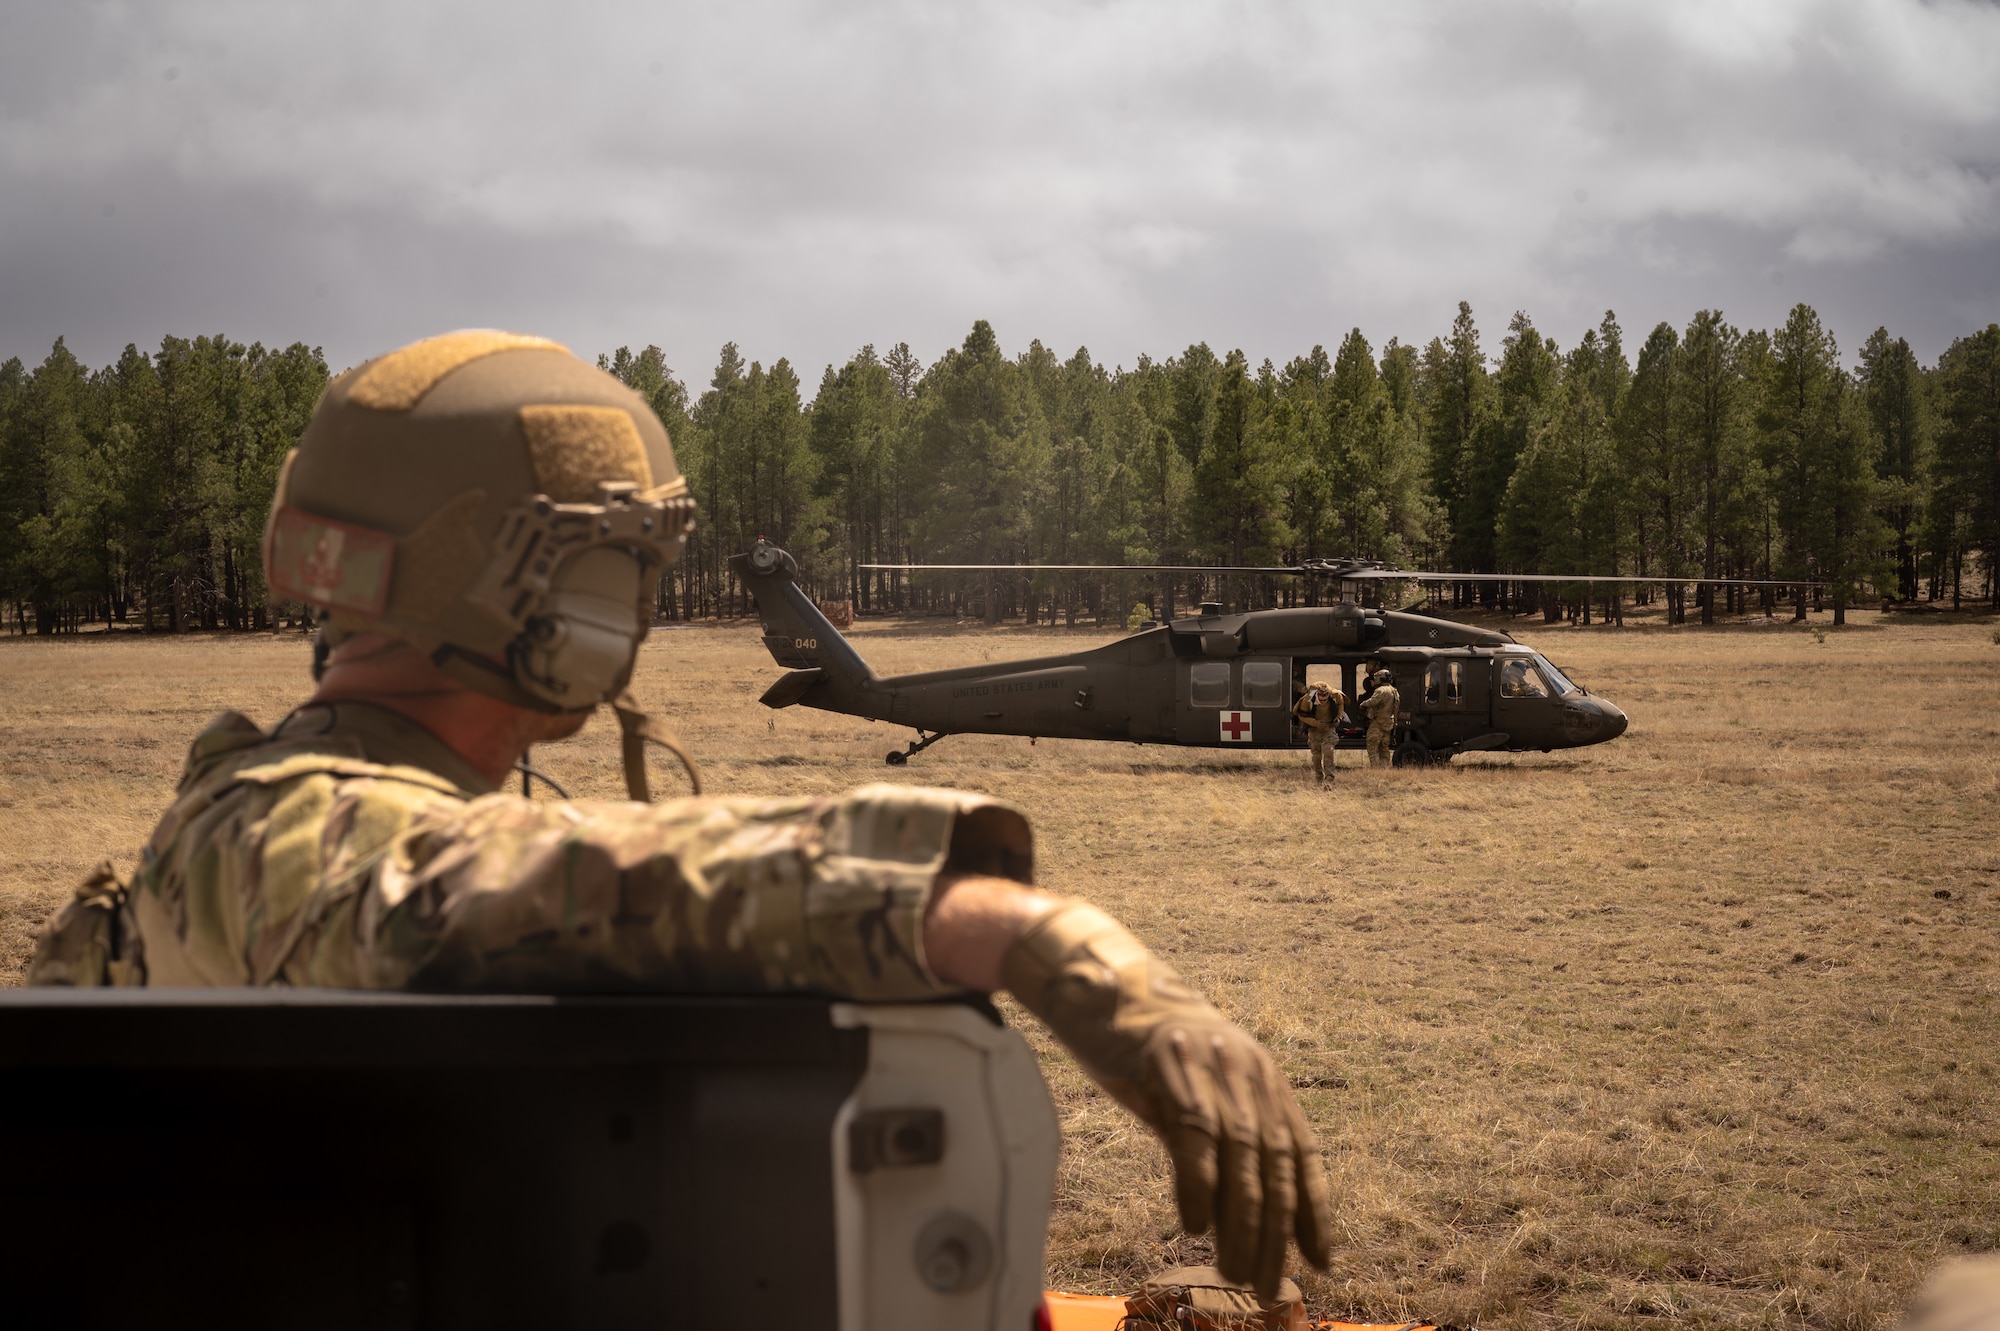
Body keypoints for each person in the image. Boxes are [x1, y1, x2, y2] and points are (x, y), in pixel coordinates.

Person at [26, 330, 1329, 1300]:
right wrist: (1027, 933)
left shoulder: (211, 834)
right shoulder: (271, 840)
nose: (633, 621)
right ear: (531, 598)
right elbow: (451, 886)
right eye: (619, 578)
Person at [1291, 680, 1344, 785]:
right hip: (1314, 730)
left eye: (1325, 700)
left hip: (1329, 728)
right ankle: (1319, 777)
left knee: (1329, 750)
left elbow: (1341, 704)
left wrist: (1339, 718)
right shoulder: (1307, 701)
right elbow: (1301, 716)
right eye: (1321, 700)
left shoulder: (1335, 696)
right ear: (1317, 696)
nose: (1323, 701)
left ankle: (1329, 778)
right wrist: (1315, 723)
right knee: (1316, 757)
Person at [1359, 669, 1401, 767]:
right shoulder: (1394, 691)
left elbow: (1373, 701)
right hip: (1389, 722)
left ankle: (1376, 768)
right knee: (1384, 747)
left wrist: (1363, 704)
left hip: (1378, 722)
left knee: (1372, 745)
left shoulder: (1380, 690)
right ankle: (1385, 767)